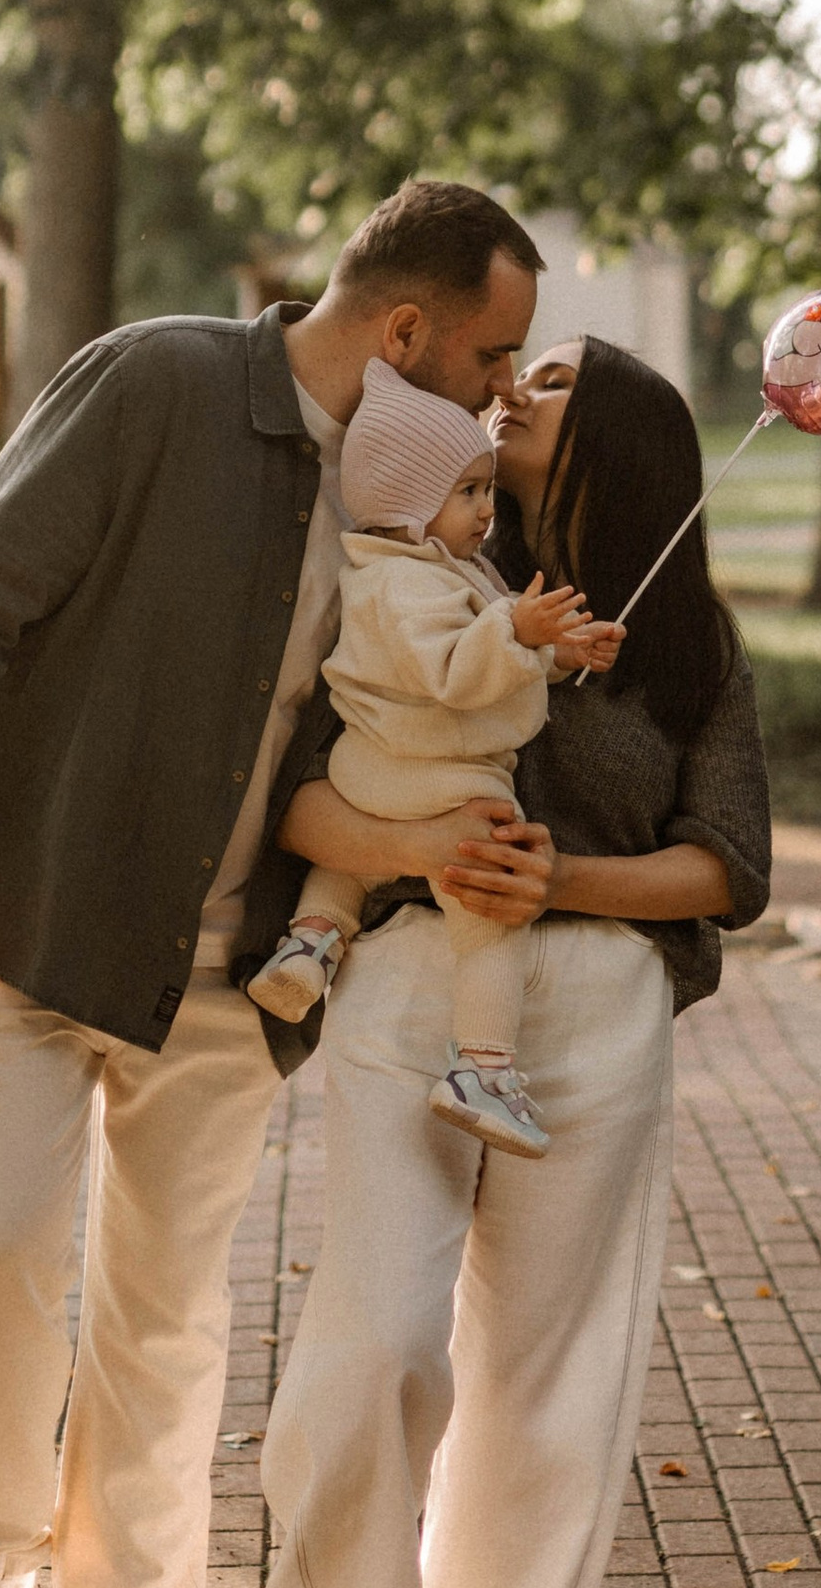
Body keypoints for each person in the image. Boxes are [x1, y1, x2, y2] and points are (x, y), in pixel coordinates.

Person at [0, 180, 542, 1588]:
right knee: (1, 1244)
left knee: (167, 1318)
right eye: (489, 354)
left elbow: (339, 746)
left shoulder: (411, 502)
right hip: (30, 919)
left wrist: (419, 843)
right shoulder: (154, 380)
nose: (502, 394)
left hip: (234, 984)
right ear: (404, 331)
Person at [255, 333, 771, 1588]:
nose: (503, 396)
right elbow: (300, 797)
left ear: (615, 444)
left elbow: (728, 869)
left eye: (541, 386)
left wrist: (565, 888)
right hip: (414, 977)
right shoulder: (403, 563)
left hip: (598, 1011)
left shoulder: (692, 645)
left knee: (545, 1371)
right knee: (378, 1328)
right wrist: (426, 853)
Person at [245, 358, 622, 1157]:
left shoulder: (423, 570)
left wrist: (559, 649)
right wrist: (518, 632)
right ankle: (482, 1066)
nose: (487, 511)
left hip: (373, 772)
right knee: (489, 911)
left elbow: (488, 653)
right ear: (409, 503)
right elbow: (455, 672)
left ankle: (311, 940)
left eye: (488, 491)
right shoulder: (401, 587)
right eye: (468, 493)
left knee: (352, 861)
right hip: (439, 779)